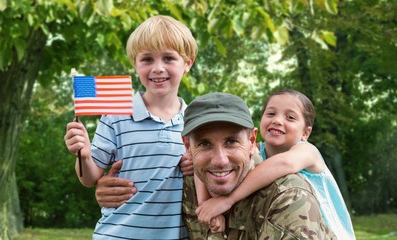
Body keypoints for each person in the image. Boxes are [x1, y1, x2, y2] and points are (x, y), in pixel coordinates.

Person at [63, 15, 197, 239]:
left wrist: (198, 164)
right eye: (147, 60)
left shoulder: (195, 121)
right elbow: (89, 178)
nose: (157, 68)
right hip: (117, 233)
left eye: (168, 58)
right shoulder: (116, 116)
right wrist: (83, 154)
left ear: (187, 63)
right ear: (135, 65)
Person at [193, 89, 355, 239]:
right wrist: (206, 207)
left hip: (324, 231)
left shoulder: (307, 151)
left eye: (290, 117)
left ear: (306, 133)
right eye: (271, 113)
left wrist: (227, 200)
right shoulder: (253, 150)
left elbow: (283, 163)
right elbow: (203, 167)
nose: (277, 120)